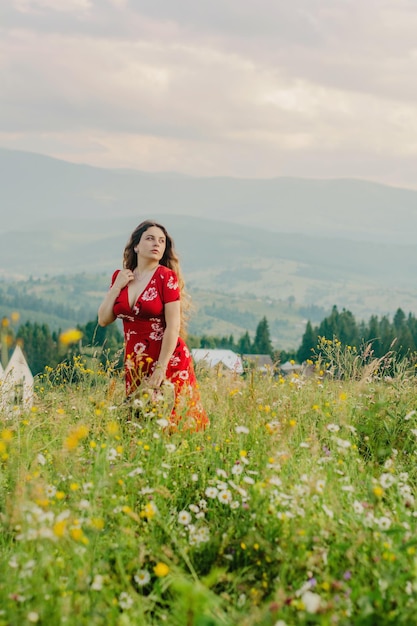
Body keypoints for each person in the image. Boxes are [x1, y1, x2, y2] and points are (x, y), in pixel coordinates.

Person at [98, 219, 209, 431]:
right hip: (135, 361)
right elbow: (103, 319)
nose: (156, 244)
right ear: (136, 245)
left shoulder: (166, 277)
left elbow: (173, 327)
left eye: (161, 241)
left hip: (167, 358)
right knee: (140, 422)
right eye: (150, 238)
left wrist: (160, 368)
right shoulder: (120, 277)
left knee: (176, 421)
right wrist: (116, 287)